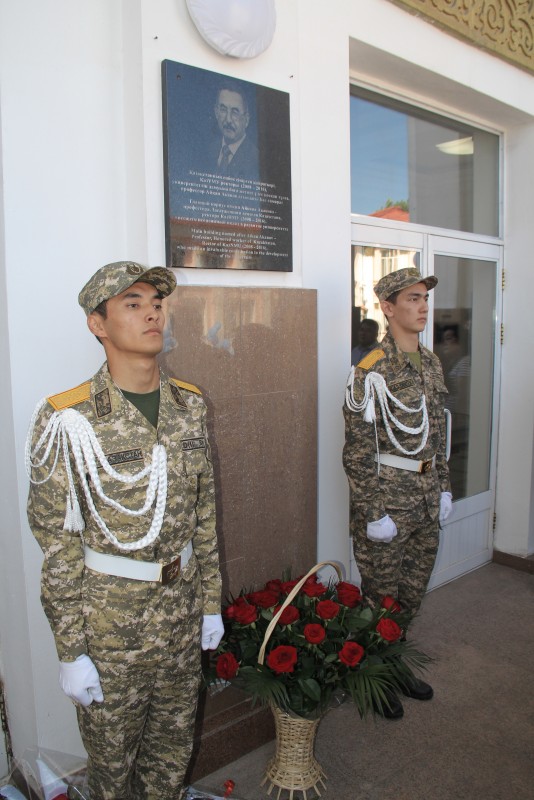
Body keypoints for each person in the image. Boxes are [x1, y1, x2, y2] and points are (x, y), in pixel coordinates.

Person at [26, 261, 224, 800]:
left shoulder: (189, 404)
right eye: (132, 304)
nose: (152, 313)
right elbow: (58, 545)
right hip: (111, 630)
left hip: (180, 614)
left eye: (157, 303)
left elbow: (204, 516)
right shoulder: (68, 418)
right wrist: (71, 651)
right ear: (98, 324)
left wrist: (210, 603)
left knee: (171, 757)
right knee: (112, 772)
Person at [343, 267, 452, 720]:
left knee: (411, 595)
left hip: (426, 499)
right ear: (388, 308)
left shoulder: (431, 363)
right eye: (412, 298)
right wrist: (373, 512)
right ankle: (374, 677)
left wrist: (444, 487)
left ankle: (395, 662)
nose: (423, 306)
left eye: (424, 297)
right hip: (389, 503)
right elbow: (357, 451)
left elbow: (439, 434)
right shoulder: (371, 369)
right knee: (380, 597)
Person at [211, 83, 259, 180]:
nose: (228, 119)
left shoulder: (256, 159)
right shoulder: (209, 150)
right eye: (223, 110)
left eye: (235, 112)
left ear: (246, 120)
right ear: (216, 113)